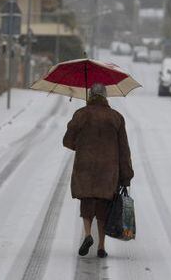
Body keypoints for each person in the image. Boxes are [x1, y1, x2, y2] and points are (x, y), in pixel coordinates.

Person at [63, 83, 134, 258]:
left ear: (90, 96)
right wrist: (126, 175)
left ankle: (88, 235)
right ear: (105, 96)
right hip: (108, 170)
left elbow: (67, 141)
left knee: (87, 202)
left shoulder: (80, 115)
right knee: (103, 207)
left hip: (85, 166)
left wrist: (81, 145)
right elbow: (124, 150)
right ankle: (101, 247)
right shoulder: (116, 117)